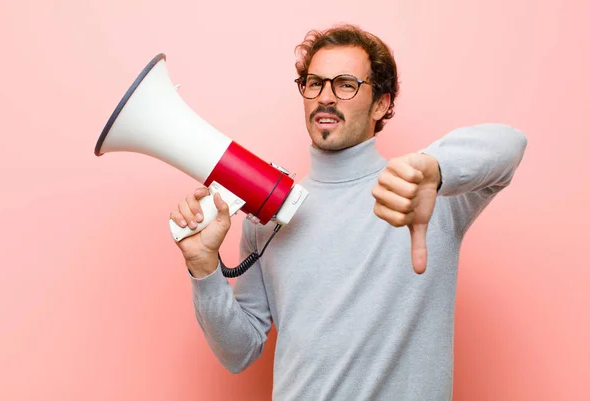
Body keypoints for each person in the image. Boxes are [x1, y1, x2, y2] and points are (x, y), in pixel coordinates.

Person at [170, 24, 527, 401]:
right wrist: (204, 266)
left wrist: (435, 170)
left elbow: (510, 144)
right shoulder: (269, 218)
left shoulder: (419, 192)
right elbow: (238, 352)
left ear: (382, 103)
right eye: (314, 83)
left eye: (345, 84)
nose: (325, 97)